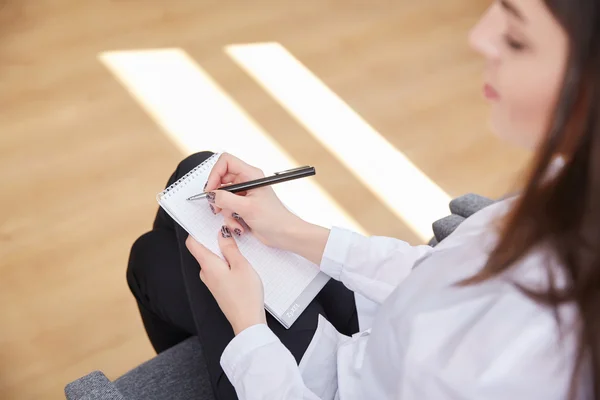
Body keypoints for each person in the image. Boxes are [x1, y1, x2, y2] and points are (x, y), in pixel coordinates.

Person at [126, 0, 599, 398]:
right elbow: (432, 273)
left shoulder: (539, 365)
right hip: (373, 330)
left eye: (516, 38)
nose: (479, 36)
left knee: (152, 261)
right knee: (198, 175)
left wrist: (249, 328)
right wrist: (290, 228)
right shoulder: (571, 183)